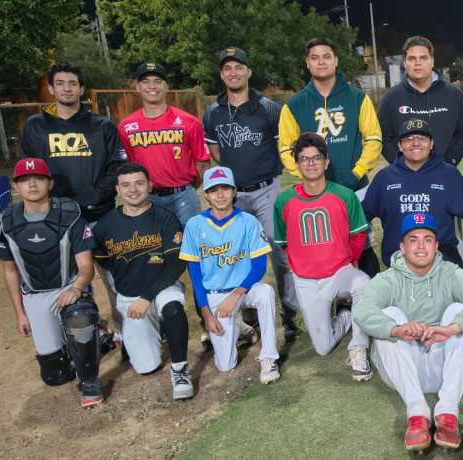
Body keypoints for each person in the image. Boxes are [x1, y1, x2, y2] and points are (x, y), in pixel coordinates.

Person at [353, 212, 463, 452]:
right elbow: (362, 310)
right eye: (413, 239)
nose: (420, 246)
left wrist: (450, 329)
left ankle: (447, 412)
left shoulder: (451, 272)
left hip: (441, 366)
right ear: (402, 246)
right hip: (402, 371)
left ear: (436, 246)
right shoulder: (389, 279)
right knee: (391, 315)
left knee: (461, 313)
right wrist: (397, 329)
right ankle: (417, 414)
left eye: (427, 239)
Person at [20, 62, 125, 349]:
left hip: (100, 216)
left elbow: (117, 165)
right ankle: (86, 340)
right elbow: (27, 171)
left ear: (81, 89)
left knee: (116, 280)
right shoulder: (35, 127)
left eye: (73, 83)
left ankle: (127, 334)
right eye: (61, 83)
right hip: (57, 222)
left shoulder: (102, 125)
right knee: (72, 286)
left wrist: (95, 195)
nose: (68, 88)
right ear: (52, 89)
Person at [202, 46, 301, 342]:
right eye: (227, 68)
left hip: (266, 189)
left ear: (248, 72)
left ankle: (290, 313)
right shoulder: (213, 111)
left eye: (239, 67)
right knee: (237, 255)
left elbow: (281, 147)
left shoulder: (269, 107)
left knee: (279, 251)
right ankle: (247, 316)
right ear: (222, 74)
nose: (233, 72)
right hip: (233, 196)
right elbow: (217, 151)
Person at [0, 158, 102, 408]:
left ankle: (90, 382)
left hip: (68, 286)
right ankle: (96, 341)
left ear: (50, 183)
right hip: (35, 294)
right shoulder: (5, 222)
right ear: (15, 186)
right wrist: (20, 313)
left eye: (39, 178)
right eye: (24, 180)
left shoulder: (70, 214)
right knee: (55, 376)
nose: (32, 184)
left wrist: (76, 288)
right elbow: (10, 272)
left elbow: (86, 267)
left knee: (80, 317)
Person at [278, 37, 383, 277]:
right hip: (315, 193)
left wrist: (356, 172)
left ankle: (370, 306)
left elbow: (374, 138)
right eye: (314, 58)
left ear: (335, 60)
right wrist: (307, 176)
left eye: (326, 56)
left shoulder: (357, 98)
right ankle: (339, 308)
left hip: (355, 188)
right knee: (327, 252)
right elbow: (285, 148)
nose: (321, 62)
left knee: (362, 247)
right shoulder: (294, 105)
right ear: (307, 63)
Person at [273, 133, 373, 381]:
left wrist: (348, 261)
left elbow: (358, 235)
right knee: (323, 347)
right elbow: (283, 243)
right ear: (296, 164)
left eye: (316, 157)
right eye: (304, 159)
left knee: (362, 283)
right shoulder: (284, 200)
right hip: (307, 279)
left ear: (326, 162)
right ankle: (347, 316)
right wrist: (301, 265)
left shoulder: (344, 195)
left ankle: (359, 348)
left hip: (339, 271)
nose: (311, 163)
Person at [91, 162, 194, 398]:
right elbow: (100, 257)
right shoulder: (106, 225)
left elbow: (177, 263)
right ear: (117, 190)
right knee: (147, 366)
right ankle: (154, 332)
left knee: (173, 309)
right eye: (125, 185)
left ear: (150, 185)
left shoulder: (164, 218)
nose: (133, 189)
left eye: (139, 183)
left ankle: (180, 371)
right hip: (130, 297)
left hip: (162, 288)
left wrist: (148, 297)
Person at [179, 166, 281, 382]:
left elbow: (259, 266)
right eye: (214, 190)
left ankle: (269, 357)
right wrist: (206, 314)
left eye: (225, 188)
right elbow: (195, 274)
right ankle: (238, 326)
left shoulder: (248, 221)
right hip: (215, 295)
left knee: (266, 292)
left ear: (234, 192)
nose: (220, 194)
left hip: (245, 290)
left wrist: (235, 295)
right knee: (226, 365)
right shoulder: (195, 225)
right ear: (206, 194)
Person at [362, 118, 463, 268]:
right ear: (400, 145)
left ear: (431, 144)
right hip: (399, 260)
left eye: (422, 138)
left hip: (442, 259)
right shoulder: (385, 178)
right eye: (408, 139)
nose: (415, 143)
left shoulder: (448, 175)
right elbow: (362, 215)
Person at [118, 62, 211, 225]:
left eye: (157, 81)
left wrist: (186, 187)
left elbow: (202, 162)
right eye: (146, 81)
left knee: (192, 245)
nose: (152, 86)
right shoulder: (126, 126)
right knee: (151, 246)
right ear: (137, 87)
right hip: (147, 197)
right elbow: (128, 166)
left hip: (183, 196)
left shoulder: (188, 121)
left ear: (166, 86)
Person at [377, 36, 463, 166]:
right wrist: (401, 164)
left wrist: (450, 161)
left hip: (443, 173)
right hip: (405, 175)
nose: (418, 63)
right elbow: (383, 138)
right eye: (412, 58)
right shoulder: (390, 98)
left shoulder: (454, 95)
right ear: (405, 63)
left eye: (423, 57)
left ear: (432, 61)